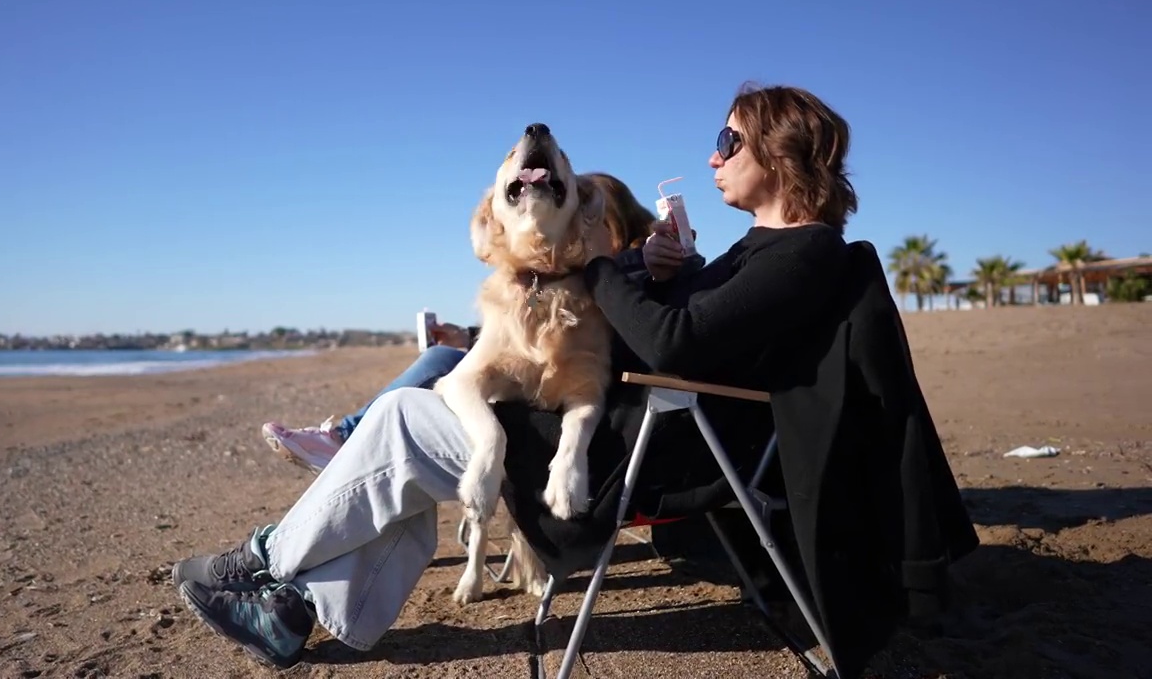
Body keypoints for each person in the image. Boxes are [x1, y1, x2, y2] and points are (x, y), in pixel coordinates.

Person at [171, 83, 971, 674]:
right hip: (651, 424)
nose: (712, 156)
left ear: (781, 152)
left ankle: (270, 567)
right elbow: (692, 326)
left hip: (649, 448)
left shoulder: (805, 255)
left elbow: (673, 341)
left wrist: (602, 263)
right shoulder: (770, 252)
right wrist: (663, 266)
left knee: (402, 425)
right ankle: (294, 606)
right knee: (416, 445)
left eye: (728, 141)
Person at [258, 172, 670, 472]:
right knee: (447, 355)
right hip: (537, 375)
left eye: (591, 217)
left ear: (615, 227)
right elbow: (540, 326)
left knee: (441, 363)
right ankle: (345, 438)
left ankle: (343, 440)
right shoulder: (596, 270)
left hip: (568, 398)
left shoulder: (623, 271)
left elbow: (573, 332)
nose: (579, 226)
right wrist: (470, 335)